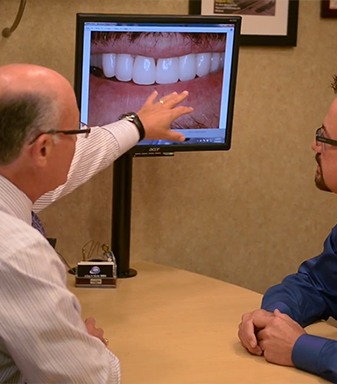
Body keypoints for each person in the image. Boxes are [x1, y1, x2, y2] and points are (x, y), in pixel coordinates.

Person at [0, 63, 193, 383]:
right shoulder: (17, 252)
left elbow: (74, 160)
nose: (83, 140)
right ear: (43, 149)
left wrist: (138, 126)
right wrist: (83, 344)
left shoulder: (12, 185)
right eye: (78, 130)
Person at [238, 66, 337, 383]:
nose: (315, 146)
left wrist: (299, 348)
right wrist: (275, 317)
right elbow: (314, 285)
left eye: (325, 138)